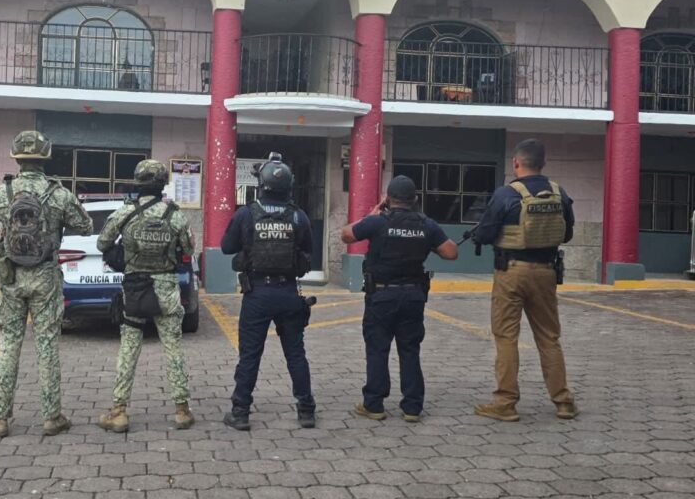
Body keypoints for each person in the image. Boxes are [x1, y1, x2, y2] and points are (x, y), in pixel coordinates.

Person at [0, 130, 93, 437]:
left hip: (11, 278)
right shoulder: (59, 194)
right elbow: (85, 226)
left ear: (16, 157)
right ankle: (52, 417)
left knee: (9, 344)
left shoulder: (0, 193)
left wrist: (6, 244)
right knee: (47, 344)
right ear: (46, 157)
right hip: (46, 278)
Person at [470, 138, 578, 422]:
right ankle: (563, 402)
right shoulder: (559, 193)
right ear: (543, 163)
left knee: (506, 337)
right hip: (546, 272)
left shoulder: (506, 194)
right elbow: (567, 234)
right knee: (549, 337)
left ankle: (505, 402)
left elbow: (485, 234)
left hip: (511, 272)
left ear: (516, 162)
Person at [341, 175, 458, 422]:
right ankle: (412, 408)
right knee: (410, 350)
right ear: (414, 199)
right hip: (413, 296)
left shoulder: (377, 222)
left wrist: (371, 215)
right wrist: (428, 243)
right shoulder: (426, 224)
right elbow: (451, 252)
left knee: (377, 349)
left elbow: (347, 235)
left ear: (387, 199)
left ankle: (374, 405)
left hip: (381, 295)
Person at [95, 160, 196, 433]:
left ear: (137, 183)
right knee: (173, 348)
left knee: (129, 348)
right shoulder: (175, 215)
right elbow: (188, 249)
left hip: (135, 289)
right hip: (166, 288)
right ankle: (182, 410)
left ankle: (118, 412)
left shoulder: (125, 213)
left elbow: (102, 243)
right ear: (162, 184)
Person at [221, 152, 316, 431]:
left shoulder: (246, 214)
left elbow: (227, 247)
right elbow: (308, 251)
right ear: (289, 186)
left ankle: (240, 412)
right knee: (295, 353)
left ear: (261, 184)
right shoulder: (298, 216)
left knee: (250, 355)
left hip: (257, 294)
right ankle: (306, 411)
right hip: (288, 293)